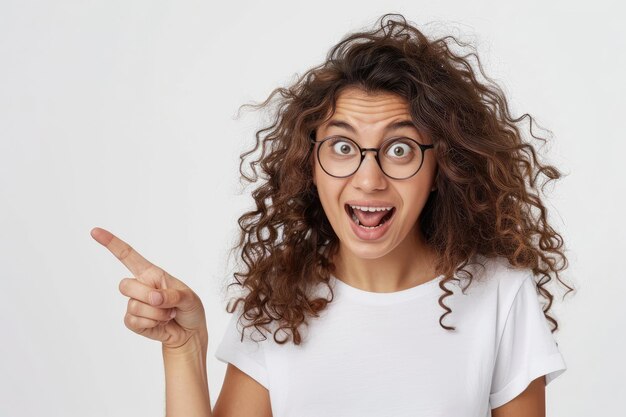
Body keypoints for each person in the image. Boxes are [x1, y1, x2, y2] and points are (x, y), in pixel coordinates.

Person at [91, 13, 572, 417]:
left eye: (400, 149)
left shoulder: (501, 294)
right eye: (343, 147)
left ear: (441, 166)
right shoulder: (280, 301)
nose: (369, 179)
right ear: (310, 165)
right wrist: (183, 348)